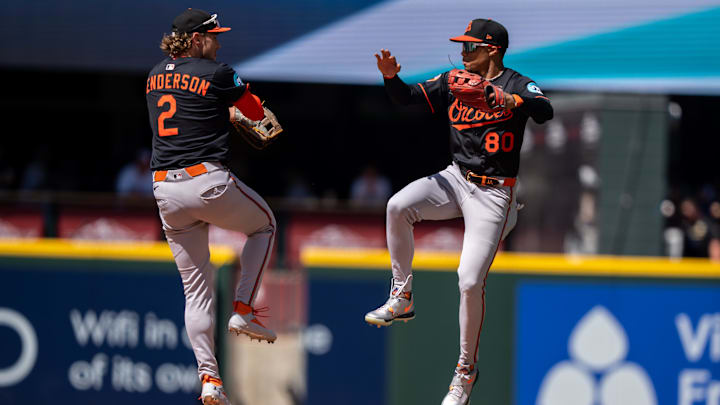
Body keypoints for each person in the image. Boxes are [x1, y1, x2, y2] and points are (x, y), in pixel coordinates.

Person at [364, 19, 553, 405]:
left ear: (493, 50)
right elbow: (406, 97)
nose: (464, 53)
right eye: (463, 47)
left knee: (468, 281)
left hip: (495, 194)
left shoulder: (516, 83)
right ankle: (402, 296)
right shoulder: (455, 80)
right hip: (456, 178)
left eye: (471, 47)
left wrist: (511, 101)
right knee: (397, 206)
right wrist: (390, 78)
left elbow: (545, 109)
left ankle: (465, 372)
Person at [146, 9, 278, 405]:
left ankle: (209, 380)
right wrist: (238, 109)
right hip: (206, 182)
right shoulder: (217, 73)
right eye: (213, 36)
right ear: (196, 40)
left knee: (197, 292)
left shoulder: (153, 74)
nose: (218, 43)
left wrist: (223, 110)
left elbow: (188, 109)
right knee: (265, 226)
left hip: (165, 191)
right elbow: (256, 112)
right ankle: (242, 307)